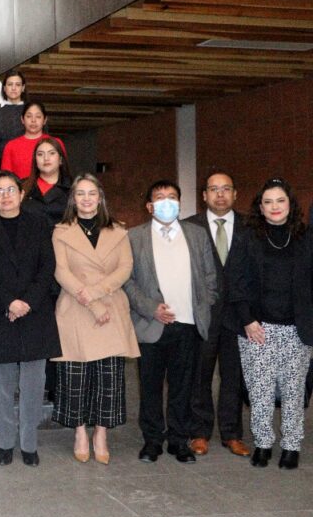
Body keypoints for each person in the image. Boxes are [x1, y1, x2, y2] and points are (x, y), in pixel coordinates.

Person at [124, 180, 218, 464]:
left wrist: (203, 303)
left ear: (180, 202)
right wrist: (151, 308)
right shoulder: (134, 237)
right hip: (151, 324)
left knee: (183, 387)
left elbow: (210, 277)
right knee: (150, 387)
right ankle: (152, 440)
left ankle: (179, 439)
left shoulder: (197, 235)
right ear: (149, 206)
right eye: (160, 197)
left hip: (188, 324)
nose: (167, 202)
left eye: (172, 197)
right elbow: (127, 281)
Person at [0, 170, 61, 467]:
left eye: (10, 190)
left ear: (22, 194)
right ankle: (4, 443)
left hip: (35, 313)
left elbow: (47, 267)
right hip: (0, 313)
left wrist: (27, 302)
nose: (5, 196)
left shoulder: (39, 224)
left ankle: (29, 444)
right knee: (1, 385)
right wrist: (9, 302)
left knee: (34, 385)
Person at [51, 174, 139, 464]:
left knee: (109, 377)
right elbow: (61, 271)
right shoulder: (61, 231)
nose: (86, 199)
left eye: (92, 193)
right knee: (74, 376)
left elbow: (125, 268)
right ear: (73, 199)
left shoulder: (119, 230)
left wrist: (97, 294)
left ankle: (101, 434)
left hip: (110, 307)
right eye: (80, 194)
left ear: (100, 198)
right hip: (75, 306)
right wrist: (90, 301)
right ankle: (79, 432)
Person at [226, 178, 313, 469]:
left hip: (296, 329)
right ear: (260, 207)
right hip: (257, 328)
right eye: (268, 202)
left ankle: (291, 445)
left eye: (280, 200)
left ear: (290, 204)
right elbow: (235, 281)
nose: (275, 207)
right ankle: (263, 443)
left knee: (293, 390)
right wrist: (248, 320)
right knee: (259, 389)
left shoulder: (305, 237)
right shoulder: (247, 237)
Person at [185, 172, 250, 458]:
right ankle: (199, 431)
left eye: (226, 189)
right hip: (202, 314)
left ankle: (232, 433)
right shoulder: (189, 227)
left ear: (235, 194)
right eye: (213, 189)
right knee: (199, 374)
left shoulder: (251, 227)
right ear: (204, 195)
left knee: (233, 376)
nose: (220, 194)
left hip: (238, 315)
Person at [0, 100, 66, 180]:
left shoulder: (56, 143)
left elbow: (64, 173)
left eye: (38, 116)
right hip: (21, 187)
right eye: (29, 116)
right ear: (22, 119)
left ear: (45, 120)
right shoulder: (11, 146)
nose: (33, 120)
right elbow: (6, 179)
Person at [21, 137, 71, 227]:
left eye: (52, 153)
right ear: (35, 160)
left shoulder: (73, 188)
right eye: (40, 154)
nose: (46, 158)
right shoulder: (22, 186)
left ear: (60, 159)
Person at [0, 69, 27, 162]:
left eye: (18, 85)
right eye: (10, 84)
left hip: (27, 162)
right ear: (4, 88)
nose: (13, 88)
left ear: (23, 88)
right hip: (0, 162)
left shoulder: (31, 111)